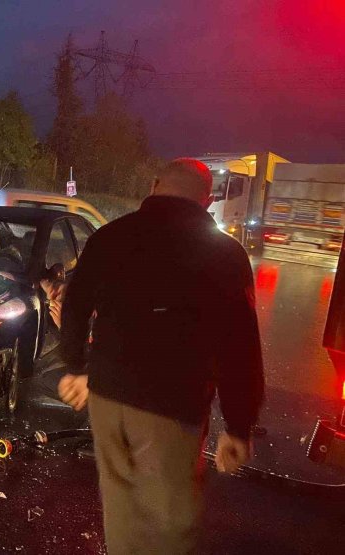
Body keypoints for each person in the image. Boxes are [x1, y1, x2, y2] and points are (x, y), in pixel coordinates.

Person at [58, 158, 264, 554]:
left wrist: (77, 367)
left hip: (106, 397)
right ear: (207, 201)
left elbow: (75, 304)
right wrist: (239, 425)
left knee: (119, 503)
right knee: (171, 517)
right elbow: (240, 345)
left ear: (153, 185)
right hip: (169, 405)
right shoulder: (224, 253)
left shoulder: (110, 236)